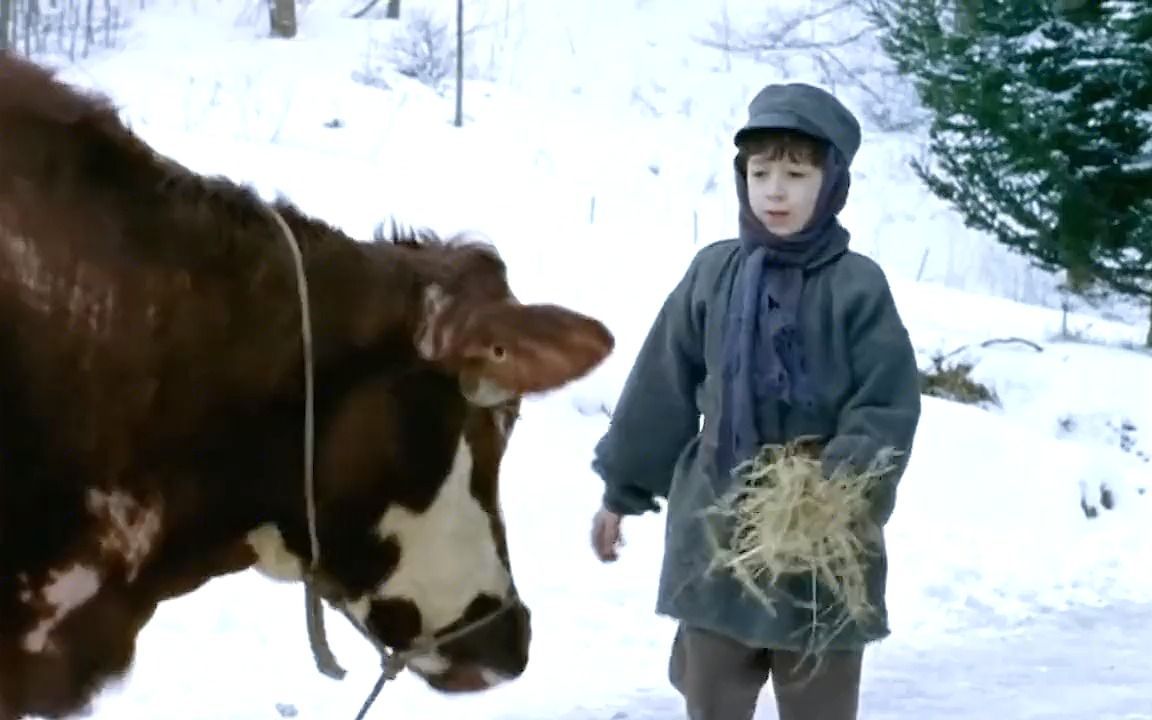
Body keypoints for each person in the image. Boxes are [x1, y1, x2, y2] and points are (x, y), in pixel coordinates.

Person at [588, 82, 923, 720]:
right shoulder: (713, 274)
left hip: (823, 545)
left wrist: (831, 490)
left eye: (796, 174)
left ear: (831, 182)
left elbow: (885, 404)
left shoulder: (858, 287)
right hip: (717, 531)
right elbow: (661, 386)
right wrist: (620, 493)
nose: (774, 190)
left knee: (818, 705)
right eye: (760, 172)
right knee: (710, 696)